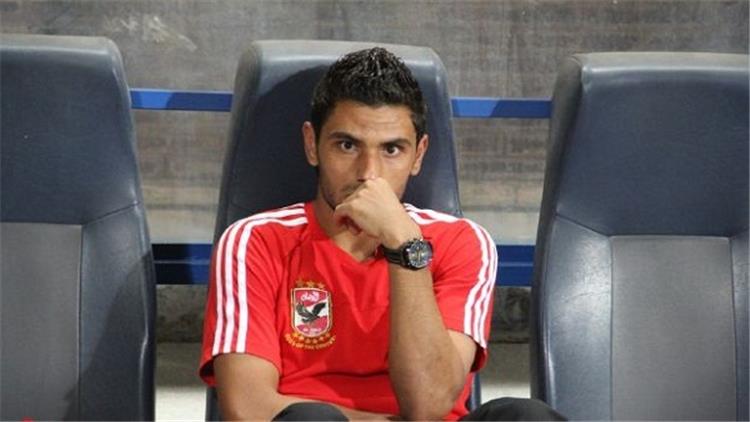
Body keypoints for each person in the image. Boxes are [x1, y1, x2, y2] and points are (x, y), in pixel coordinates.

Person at [199, 47, 565, 421]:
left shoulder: (463, 243)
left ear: (418, 155)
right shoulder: (255, 242)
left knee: (527, 417)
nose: (368, 173)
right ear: (312, 145)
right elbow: (248, 409)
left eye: (391, 149)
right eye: (347, 145)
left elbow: (429, 404)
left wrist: (404, 246)